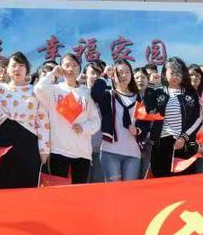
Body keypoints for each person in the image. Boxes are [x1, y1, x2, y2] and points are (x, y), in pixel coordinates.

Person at [0, 52, 51, 189]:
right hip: (4, 139)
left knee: (26, 185)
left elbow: (43, 122)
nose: (17, 69)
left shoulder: (35, 91)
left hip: (28, 142)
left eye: (21, 66)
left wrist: (44, 151)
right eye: (13, 65)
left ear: (27, 70)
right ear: (7, 69)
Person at [34, 53, 101, 184]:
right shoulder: (54, 90)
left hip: (82, 152)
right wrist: (52, 74)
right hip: (59, 150)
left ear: (79, 68)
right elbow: (38, 89)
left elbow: (96, 121)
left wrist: (84, 127)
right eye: (67, 65)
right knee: (59, 192)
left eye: (74, 65)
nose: (71, 69)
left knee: (79, 192)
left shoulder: (86, 92)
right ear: (61, 68)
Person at [142, 57, 202, 178]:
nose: (175, 76)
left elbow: (198, 118)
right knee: (161, 181)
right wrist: (151, 84)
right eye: (172, 73)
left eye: (178, 72)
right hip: (161, 143)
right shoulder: (158, 92)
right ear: (164, 74)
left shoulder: (190, 93)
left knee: (185, 181)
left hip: (183, 144)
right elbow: (147, 108)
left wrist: (184, 137)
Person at [91, 59, 143, 181]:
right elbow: (95, 94)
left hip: (133, 153)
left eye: (127, 72)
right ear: (113, 75)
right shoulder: (108, 95)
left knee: (129, 190)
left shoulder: (138, 96)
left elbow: (143, 122)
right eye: (120, 72)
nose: (124, 75)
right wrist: (104, 76)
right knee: (114, 190)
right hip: (110, 151)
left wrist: (138, 130)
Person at [85, 61, 106, 183]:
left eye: (98, 73)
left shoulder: (107, 94)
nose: (95, 76)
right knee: (82, 185)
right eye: (92, 73)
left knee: (98, 184)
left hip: (101, 147)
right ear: (85, 74)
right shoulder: (79, 92)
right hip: (81, 147)